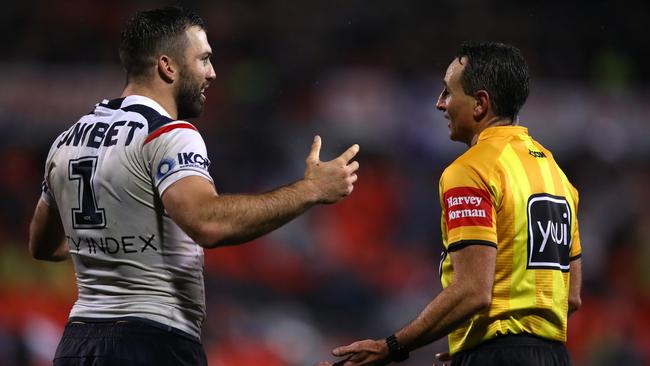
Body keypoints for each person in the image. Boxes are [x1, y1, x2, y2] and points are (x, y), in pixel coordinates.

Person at [27, 6, 360, 366]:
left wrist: (108, 239)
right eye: (204, 59)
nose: (212, 73)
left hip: (77, 345)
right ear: (168, 67)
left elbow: (43, 245)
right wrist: (310, 190)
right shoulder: (169, 134)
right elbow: (208, 223)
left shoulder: (67, 140)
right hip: (152, 341)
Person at [321, 41, 582, 366]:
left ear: (480, 104)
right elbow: (570, 297)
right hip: (555, 357)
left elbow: (473, 290)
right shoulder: (556, 175)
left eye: (448, 92)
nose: (439, 104)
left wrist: (389, 347)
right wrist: (476, 340)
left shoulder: (471, 169)